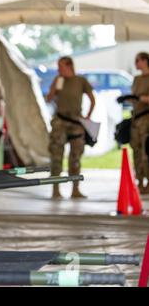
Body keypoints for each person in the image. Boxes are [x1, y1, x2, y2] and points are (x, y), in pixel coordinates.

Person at [46, 56, 95, 200]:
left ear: (69, 66)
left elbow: (92, 98)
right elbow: (49, 99)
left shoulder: (80, 81)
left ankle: (75, 189)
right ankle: (56, 189)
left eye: (61, 66)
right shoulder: (58, 80)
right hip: (60, 121)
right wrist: (55, 87)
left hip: (76, 122)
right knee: (56, 155)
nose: (58, 69)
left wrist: (88, 116)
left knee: (75, 157)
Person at [129, 52, 149, 194]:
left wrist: (143, 98)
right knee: (136, 150)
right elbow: (134, 96)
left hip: (147, 119)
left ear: (145, 61)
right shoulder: (136, 79)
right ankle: (140, 180)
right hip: (136, 119)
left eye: (138, 60)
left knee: (146, 152)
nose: (136, 63)